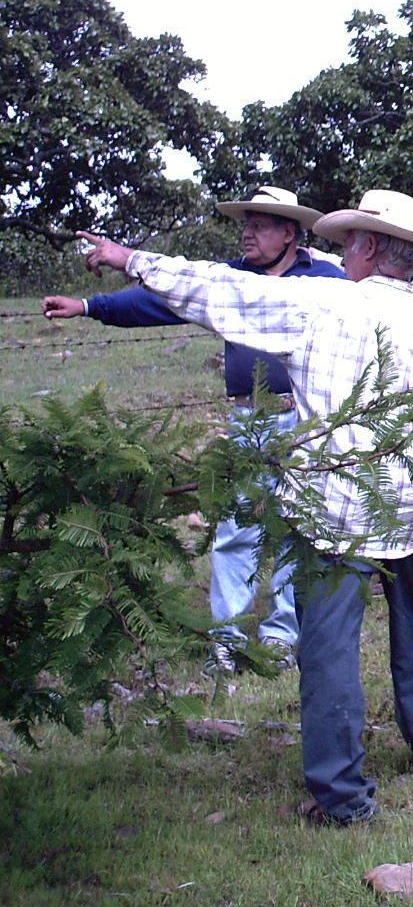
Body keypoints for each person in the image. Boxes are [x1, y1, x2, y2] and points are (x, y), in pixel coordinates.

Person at [75, 189, 413, 825]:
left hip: (338, 507)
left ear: (371, 247)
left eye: (350, 242)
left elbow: (218, 291)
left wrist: (133, 259)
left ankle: (343, 799)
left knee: (328, 650)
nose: (343, 253)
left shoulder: (323, 302)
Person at [42, 186, 343, 673]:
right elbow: (157, 302)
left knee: (295, 527)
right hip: (247, 419)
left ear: (290, 232)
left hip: (304, 418)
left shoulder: (328, 279)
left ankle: (282, 638)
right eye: (245, 223)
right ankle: (226, 642)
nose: (247, 232)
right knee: (236, 526)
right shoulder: (229, 280)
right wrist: (90, 305)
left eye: (260, 224)